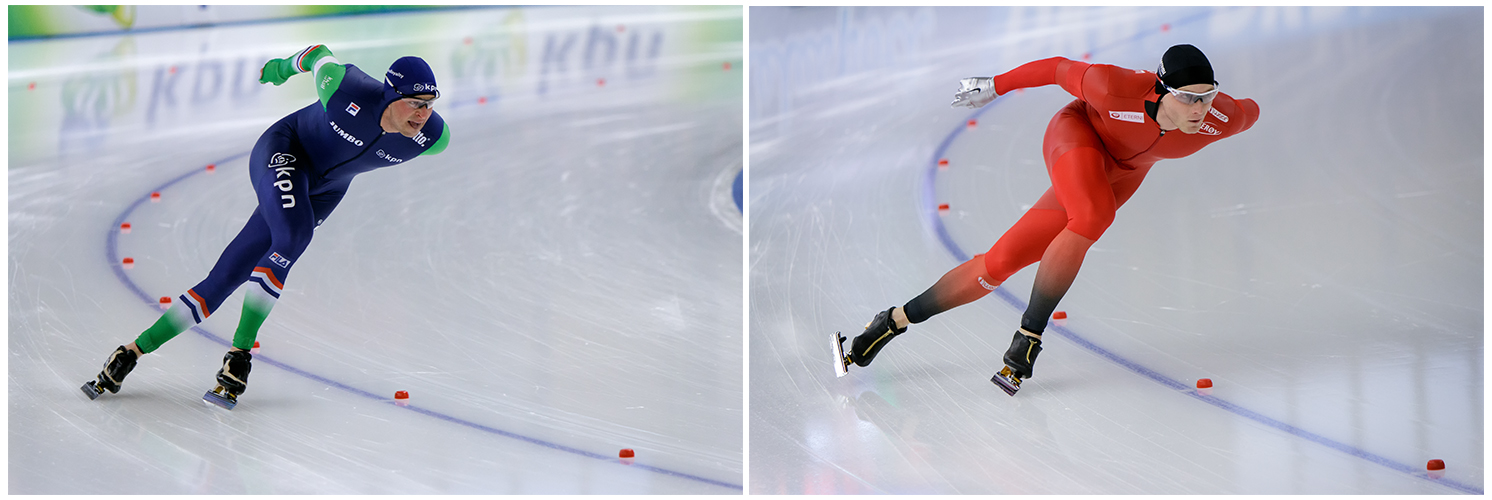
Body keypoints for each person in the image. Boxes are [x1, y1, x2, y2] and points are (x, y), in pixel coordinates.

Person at [837, 44, 1259, 395]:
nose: (1198, 108)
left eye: (1206, 96)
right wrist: (993, 86)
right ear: (1160, 89)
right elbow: (1057, 68)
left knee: (998, 264)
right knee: (1093, 214)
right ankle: (1029, 337)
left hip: (1122, 174)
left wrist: (1230, 106)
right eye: (1187, 96)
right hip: (1076, 138)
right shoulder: (1113, 86)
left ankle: (891, 321)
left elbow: (1250, 110)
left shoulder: (1221, 119)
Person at [82, 44, 452, 408]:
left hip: (327, 190)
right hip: (285, 151)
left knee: (226, 277)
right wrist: (281, 68)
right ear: (390, 94)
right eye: (415, 103)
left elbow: (428, 128)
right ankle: (240, 355)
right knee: (293, 236)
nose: (423, 114)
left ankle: (129, 353)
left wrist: (425, 115)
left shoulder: (434, 137)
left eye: (429, 104)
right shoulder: (345, 88)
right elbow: (318, 54)